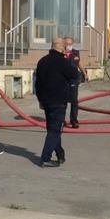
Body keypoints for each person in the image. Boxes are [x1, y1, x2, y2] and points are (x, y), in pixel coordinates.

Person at [33, 37, 78, 168]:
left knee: (52, 129)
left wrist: (40, 100)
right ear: (61, 47)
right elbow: (74, 74)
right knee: (55, 131)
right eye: (65, 46)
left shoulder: (42, 61)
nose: (66, 48)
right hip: (58, 101)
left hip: (46, 101)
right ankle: (45, 158)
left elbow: (38, 84)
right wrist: (68, 59)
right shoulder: (63, 62)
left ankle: (60, 154)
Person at [64, 36, 85, 128]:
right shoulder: (60, 53)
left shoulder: (76, 52)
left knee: (74, 101)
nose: (68, 46)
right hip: (63, 80)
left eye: (70, 44)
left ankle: (74, 121)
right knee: (62, 101)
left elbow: (79, 63)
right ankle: (61, 120)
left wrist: (84, 72)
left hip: (73, 79)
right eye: (66, 44)